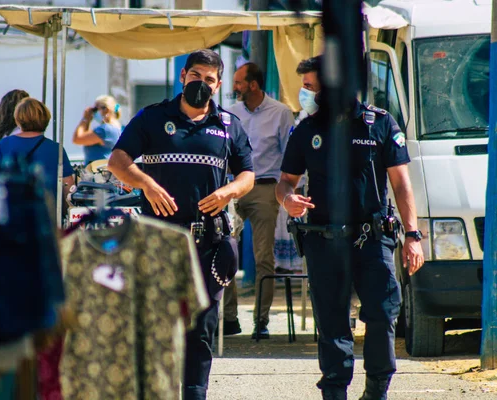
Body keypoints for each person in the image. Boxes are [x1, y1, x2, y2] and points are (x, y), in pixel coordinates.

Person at [108, 49, 254, 400]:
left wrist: (228, 192)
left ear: (218, 85)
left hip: (208, 244)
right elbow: (117, 160)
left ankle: (194, 394)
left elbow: (248, 174)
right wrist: (145, 182)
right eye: (196, 76)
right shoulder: (152, 118)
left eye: (209, 79)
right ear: (182, 75)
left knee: (201, 329)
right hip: (158, 240)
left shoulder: (229, 125)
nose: (200, 84)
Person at [275, 55, 425, 400]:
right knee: (332, 325)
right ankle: (335, 393)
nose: (305, 93)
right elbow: (285, 181)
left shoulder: (379, 124)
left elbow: (401, 185)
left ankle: (376, 392)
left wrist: (413, 235)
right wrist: (288, 200)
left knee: (382, 316)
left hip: (371, 240)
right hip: (324, 241)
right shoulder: (307, 130)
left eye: (310, 86)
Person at [222, 62, 295, 339]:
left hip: (265, 186)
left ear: (253, 84)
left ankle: (261, 321)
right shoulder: (231, 113)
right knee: (223, 250)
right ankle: (229, 318)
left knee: (263, 255)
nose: (235, 87)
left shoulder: (280, 113)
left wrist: (287, 191)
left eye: (239, 82)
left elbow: (288, 156)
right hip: (232, 186)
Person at [0, 97, 75, 215]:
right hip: (46, 218)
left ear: (18, 119)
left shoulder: (5, 144)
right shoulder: (56, 149)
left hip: (12, 216)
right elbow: (68, 189)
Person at [72, 94, 123, 166]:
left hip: (98, 173)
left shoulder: (105, 130)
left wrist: (85, 119)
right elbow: (86, 139)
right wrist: (88, 121)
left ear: (106, 110)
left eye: (95, 109)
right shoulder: (117, 127)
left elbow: (77, 139)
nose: (94, 113)